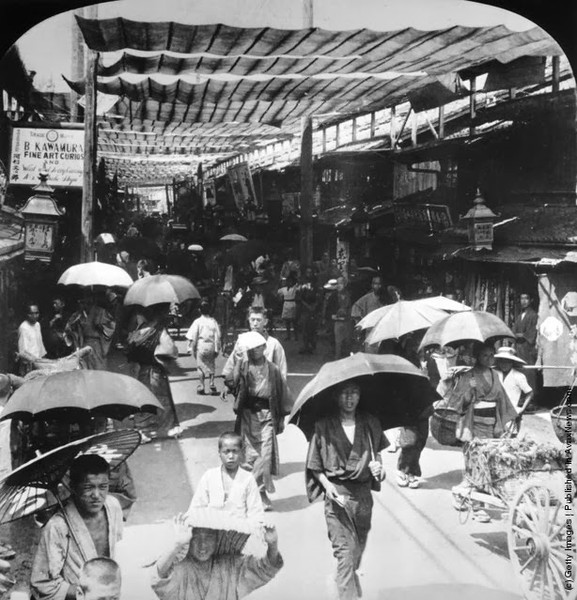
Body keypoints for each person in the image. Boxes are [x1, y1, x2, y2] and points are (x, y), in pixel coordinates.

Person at [305, 381, 388, 600]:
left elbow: (378, 457)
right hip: (337, 496)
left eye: (354, 393)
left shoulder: (370, 423)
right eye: (344, 394)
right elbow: (315, 466)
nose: (350, 399)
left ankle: (344, 578)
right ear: (336, 397)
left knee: (357, 550)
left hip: (363, 498)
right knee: (345, 553)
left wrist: (379, 468)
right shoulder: (323, 426)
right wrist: (327, 486)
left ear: (360, 396)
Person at [438, 343, 518, 522]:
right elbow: (460, 400)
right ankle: (476, 506)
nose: (490, 359)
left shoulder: (495, 375)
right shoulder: (470, 375)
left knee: (489, 463)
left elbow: (502, 398)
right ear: (477, 357)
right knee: (475, 463)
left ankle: (466, 495)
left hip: (492, 423)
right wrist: (469, 390)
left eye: (492, 355)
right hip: (473, 424)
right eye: (485, 356)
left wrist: (511, 418)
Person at [31, 455, 124, 600]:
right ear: (72, 486)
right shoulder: (57, 526)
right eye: (88, 487)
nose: (97, 495)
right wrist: (84, 592)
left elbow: (116, 549)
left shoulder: (113, 506)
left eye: (103, 487)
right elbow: (41, 583)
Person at [223, 331, 291, 511]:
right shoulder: (244, 366)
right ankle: (247, 493)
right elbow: (232, 382)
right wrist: (238, 361)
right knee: (247, 455)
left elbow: (281, 393)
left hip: (267, 415)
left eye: (258, 348)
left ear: (264, 348)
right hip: (247, 415)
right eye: (251, 349)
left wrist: (281, 417)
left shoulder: (273, 369)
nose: (255, 351)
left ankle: (260, 492)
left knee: (265, 456)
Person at [149, 513, 283, 600]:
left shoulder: (228, 566)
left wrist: (273, 544)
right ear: (189, 540)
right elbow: (158, 578)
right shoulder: (182, 568)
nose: (203, 545)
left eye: (209, 538)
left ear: (217, 540)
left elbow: (265, 569)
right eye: (196, 538)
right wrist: (178, 544)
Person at [126, 305, 181, 441]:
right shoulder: (159, 331)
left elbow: (130, 350)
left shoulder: (137, 331)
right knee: (162, 399)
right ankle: (169, 428)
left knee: (143, 400)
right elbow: (170, 350)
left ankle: (143, 430)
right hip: (155, 370)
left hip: (140, 369)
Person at [188, 431, 264, 523]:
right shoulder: (209, 476)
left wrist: (256, 526)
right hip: (212, 528)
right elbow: (197, 507)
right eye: (226, 452)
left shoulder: (247, 479)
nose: (231, 456)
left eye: (235, 451)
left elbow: (255, 512)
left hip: (239, 531)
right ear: (219, 453)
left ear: (242, 452)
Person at [222, 307, 287, 382]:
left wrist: (281, 389)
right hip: (246, 388)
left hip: (266, 388)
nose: (255, 324)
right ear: (249, 320)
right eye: (252, 320)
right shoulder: (242, 341)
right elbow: (231, 364)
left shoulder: (273, 344)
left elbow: (281, 371)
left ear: (265, 322)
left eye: (259, 320)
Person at [65, 294, 116, 370]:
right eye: (82, 302)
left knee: (97, 368)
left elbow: (111, 325)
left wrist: (101, 326)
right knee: (85, 368)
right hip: (84, 343)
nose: (84, 304)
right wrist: (75, 324)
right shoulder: (78, 314)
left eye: (87, 301)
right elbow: (68, 328)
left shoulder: (101, 312)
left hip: (97, 345)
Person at [186, 302, 221, 395]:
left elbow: (193, 336)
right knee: (211, 365)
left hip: (201, 346)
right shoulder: (213, 321)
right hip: (211, 346)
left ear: (199, 310)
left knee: (200, 367)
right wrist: (217, 348)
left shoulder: (197, 321)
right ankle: (212, 383)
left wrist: (192, 348)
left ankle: (202, 385)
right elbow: (217, 336)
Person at [494, 346, 533, 414]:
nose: (504, 364)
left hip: (512, 411)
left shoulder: (518, 376)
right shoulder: (494, 374)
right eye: (502, 361)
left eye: (507, 362)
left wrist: (522, 409)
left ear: (512, 362)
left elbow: (530, 393)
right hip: (494, 410)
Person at [512, 292, 538, 388]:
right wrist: (515, 335)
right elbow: (513, 331)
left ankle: (531, 397)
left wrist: (521, 335)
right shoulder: (520, 316)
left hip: (528, 348)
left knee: (529, 372)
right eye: (521, 298)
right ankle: (522, 396)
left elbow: (532, 333)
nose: (523, 301)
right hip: (519, 348)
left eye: (526, 298)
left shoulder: (533, 315)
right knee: (520, 371)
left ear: (531, 300)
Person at [326, 276, 353, 359]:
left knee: (347, 341)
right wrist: (331, 316)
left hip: (347, 321)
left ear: (345, 284)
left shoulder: (349, 295)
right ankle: (337, 358)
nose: (339, 285)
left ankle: (346, 358)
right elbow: (328, 309)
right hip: (336, 322)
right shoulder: (332, 296)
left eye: (340, 283)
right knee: (337, 342)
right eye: (337, 283)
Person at [17, 303, 46, 374]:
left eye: (37, 313)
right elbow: (23, 352)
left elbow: (40, 344)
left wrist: (43, 361)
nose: (35, 316)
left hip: (39, 363)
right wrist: (35, 361)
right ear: (27, 314)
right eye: (31, 313)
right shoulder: (24, 328)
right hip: (28, 366)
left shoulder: (37, 325)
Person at [297, 266, 319, 355]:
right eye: (307, 272)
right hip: (304, 310)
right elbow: (299, 297)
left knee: (312, 329)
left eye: (311, 272)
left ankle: (311, 345)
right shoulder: (302, 285)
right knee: (304, 329)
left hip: (314, 310)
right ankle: (305, 346)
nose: (309, 274)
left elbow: (318, 297)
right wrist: (307, 306)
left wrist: (314, 306)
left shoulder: (315, 284)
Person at [277, 273, 299, 341]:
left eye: (291, 281)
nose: (289, 282)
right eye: (288, 281)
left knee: (294, 321)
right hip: (286, 304)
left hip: (292, 304)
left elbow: (298, 285)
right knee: (287, 322)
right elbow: (278, 293)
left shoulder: (295, 288)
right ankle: (288, 335)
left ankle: (296, 336)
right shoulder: (283, 289)